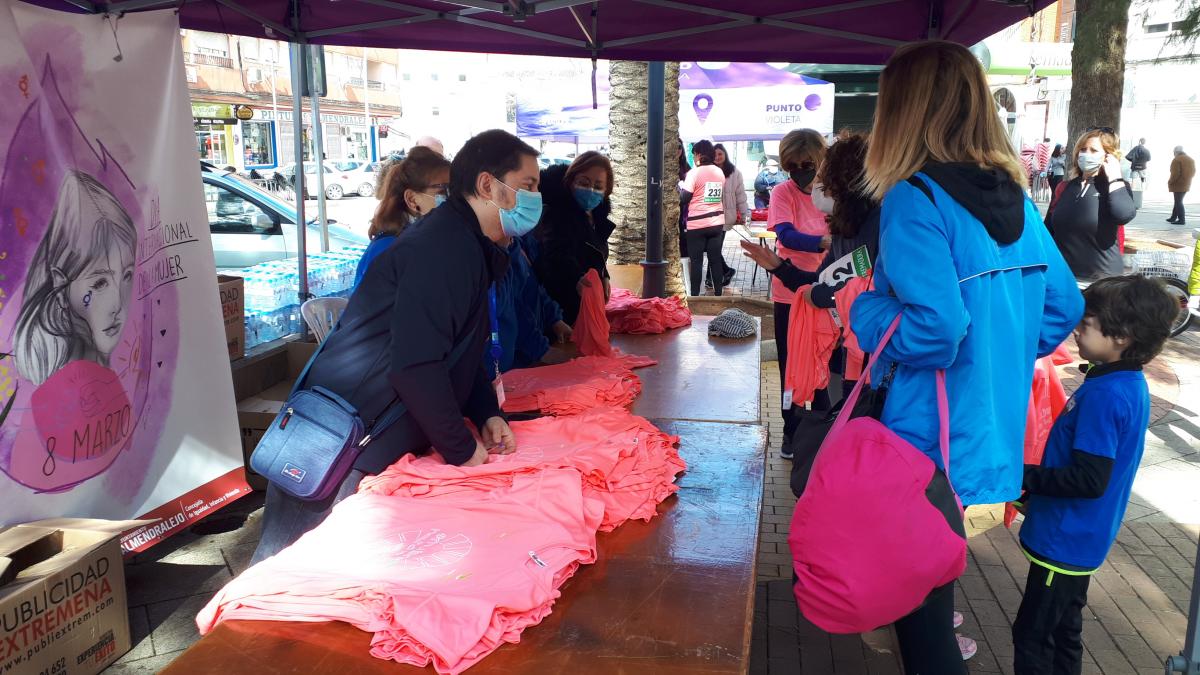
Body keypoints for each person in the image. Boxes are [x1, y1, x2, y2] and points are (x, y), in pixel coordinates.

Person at [850, 41, 1082, 674]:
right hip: (983, 434)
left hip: (922, 438)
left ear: (901, 111)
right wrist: (997, 356)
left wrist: (861, 311)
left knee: (923, 625)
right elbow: (1062, 310)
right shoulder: (1020, 201)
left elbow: (935, 330)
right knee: (930, 601)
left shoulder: (915, 199)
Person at [249, 129, 535, 564]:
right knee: (292, 574)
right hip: (345, 438)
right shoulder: (443, 248)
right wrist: (461, 447)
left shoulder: (467, 245)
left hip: (373, 432)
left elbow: (459, 350)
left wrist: (486, 413)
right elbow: (416, 366)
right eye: (528, 186)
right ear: (486, 185)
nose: (535, 200)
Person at [1011, 275, 1176, 675]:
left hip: (1065, 541)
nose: (1077, 329)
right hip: (1080, 538)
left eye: (1087, 323)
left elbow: (1089, 479)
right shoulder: (1122, 381)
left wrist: (1023, 477)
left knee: (1033, 637)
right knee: (1065, 631)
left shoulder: (1107, 394)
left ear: (1122, 337)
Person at [740, 130, 880, 410]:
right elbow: (824, 283)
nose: (817, 185)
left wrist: (818, 293)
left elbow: (836, 291)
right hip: (849, 341)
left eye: (821, 176)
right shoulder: (845, 228)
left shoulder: (880, 228)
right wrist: (780, 267)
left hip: (869, 352)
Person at [14, 171, 136, 385]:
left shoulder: (105, 369)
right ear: (61, 285)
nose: (117, 304)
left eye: (127, 275)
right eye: (100, 283)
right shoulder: (60, 384)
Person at [767, 128, 829, 454]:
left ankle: (819, 432)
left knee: (821, 365)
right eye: (793, 166)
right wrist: (821, 242)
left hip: (827, 293)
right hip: (789, 295)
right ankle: (791, 430)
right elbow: (786, 236)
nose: (801, 171)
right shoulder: (782, 193)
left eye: (808, 163)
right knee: (790, 365)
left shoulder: (833, 194)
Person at [530, 151, 616, 325]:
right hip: (561, 311)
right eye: (584, 182)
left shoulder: (597, 217)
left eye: (598, 186)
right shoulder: (558, 214)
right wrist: (576, 279)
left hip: (585, 307)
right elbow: (556, 255)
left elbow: (594, 252)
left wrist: (604, 275)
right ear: (571, 181)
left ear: (606, 191)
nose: (591, 190)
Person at [1045, 128, 1136, 280]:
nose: (1086, 154)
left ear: (1108, 156)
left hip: (1102, 281)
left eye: (1094, 150)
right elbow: (1048, 229)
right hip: (1063, 277)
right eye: (1083, 149)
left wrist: (1114, 177)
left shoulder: (1116, 187)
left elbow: (1124, 214)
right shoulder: (1065, 187)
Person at [354, 146, 450, 289]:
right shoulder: (388, 249)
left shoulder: (434, 237)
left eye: (454, 190)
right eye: (443, 191)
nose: (452, 198)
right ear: (412, 199)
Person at [680, 140, 728, 296]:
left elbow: (685, 198)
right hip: (716, 223)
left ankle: (694, 296)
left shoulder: (694, 173)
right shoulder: (719, 172)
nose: (693, 158)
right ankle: (718, 294)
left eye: (694, 154)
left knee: (697, 262)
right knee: (715, 259)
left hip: (697, 225)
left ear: (699, 154)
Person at [711, 143, 747, 288]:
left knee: (714, 249)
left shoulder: (735, 173)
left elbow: (741, 196)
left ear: (725, 154)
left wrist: (745, 214)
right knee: (713, 249)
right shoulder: (709, 171)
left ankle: (717, 275)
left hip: (726, 217)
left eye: (720, 154)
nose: (717, 157)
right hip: (711, 217)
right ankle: (724, 272)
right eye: (715, 154)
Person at [1168, 145, 1195, 225]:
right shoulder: (1190, 159)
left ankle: (1181, 220)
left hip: (1178, 184)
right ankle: (1173, 217)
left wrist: (1170, 182)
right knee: (1178, 201)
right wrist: (1187, 179)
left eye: (1173, 152)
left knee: (1178, 201)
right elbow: (1193, 172)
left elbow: (1175, 174)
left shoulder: (1176, 160)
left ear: (1176, 152)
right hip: (1186, 183)